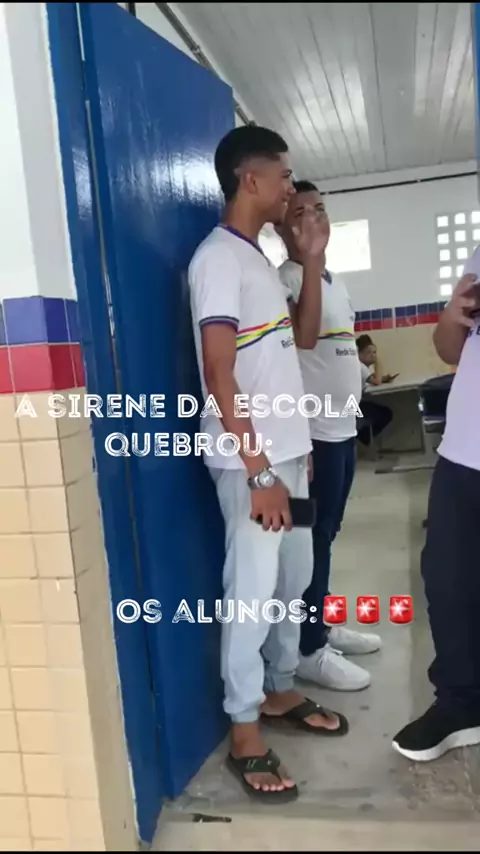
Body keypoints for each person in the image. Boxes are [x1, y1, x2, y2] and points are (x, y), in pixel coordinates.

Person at [188, 127, 348, 804]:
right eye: (283, 177)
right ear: (249, 180)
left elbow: (302, 339)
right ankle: (244, 727)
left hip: (289, 456)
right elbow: (218, 372)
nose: (290, 188)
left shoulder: (258, 258)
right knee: (252, 591)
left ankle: (280, 689)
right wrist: (257, 472)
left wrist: (311, 259)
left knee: (295, 578)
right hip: (250, 463)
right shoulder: (217, 260)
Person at [277, 181, 381, 693]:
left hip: (342, 429)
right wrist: (299, 437)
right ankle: (307, 648)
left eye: (319, 209)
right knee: (311, 538)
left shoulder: (334, 281)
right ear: (282, 226)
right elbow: (296, 350)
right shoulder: (287, 280)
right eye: (300, 213)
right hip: (314, 435)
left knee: (328, 533)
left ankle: (320, 621)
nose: (314, 219)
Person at [392, 261, 480, 761]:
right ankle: (462, 703)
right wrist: (451, 317)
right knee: (449, 582)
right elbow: (451, 350)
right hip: (464, 451)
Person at [356, 334, 394, 446]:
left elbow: (371, 379)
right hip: (354, 406)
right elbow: (376, 382)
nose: (373, 355)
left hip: (354, 403)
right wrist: (378, 362)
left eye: (374, 352)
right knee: (386, 414)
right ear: (359, 354)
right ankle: (363, 436)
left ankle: (364, 437)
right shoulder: (360, 366)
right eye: (369, 353)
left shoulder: (360, 366)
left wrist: (382, 378)